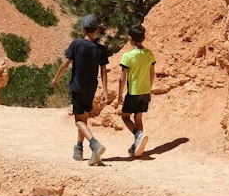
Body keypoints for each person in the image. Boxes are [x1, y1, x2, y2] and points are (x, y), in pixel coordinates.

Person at [50, 14, 109, 166]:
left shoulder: (76, 44)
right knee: (84, 118)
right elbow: (103, 71)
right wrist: (104, 91)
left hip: (78, 86)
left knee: (78, 120)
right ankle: (79, 148)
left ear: (83, 30)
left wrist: (56, 78)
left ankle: (94, 144)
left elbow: (65, 64)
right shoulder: (101, 49)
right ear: (96, 30)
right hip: (92, 87)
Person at [117, 23, 156, 157]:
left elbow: (122, 78)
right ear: (143, 38)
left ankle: (138, 135)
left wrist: (120, 94)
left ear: (130, 39)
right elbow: (152, 74)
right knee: (138, 118)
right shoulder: (149, 54)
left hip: (133, 92)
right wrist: (149, 89)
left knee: (125, 116)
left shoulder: (127, 56)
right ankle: (138, 147)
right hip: (145, 91)